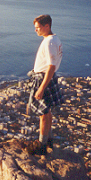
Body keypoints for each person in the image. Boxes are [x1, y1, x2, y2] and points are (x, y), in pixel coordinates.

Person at [26, 14, 63, 155]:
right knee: (47, 112)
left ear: (47, 26)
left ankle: (41, 144)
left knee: (42, 113)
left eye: (38, 28)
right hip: (47, 78)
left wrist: (41, 88)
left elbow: (51, 67)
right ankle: (48, 140)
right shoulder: (55, 39)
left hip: (44, 79)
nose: (35, 30)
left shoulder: (49, 42)